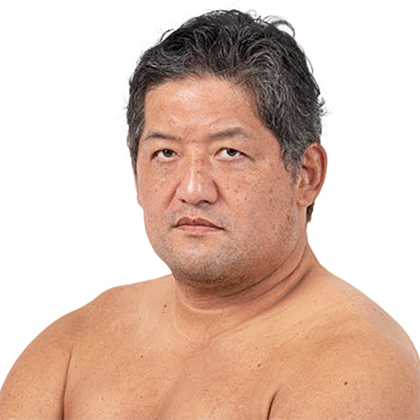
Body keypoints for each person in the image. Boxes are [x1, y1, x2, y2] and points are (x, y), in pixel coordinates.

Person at [1, 21, 419, 419]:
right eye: (166, 153)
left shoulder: (354, 367)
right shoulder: (76, 345)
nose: (193, 188)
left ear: (305, 175)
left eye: (229, 153)